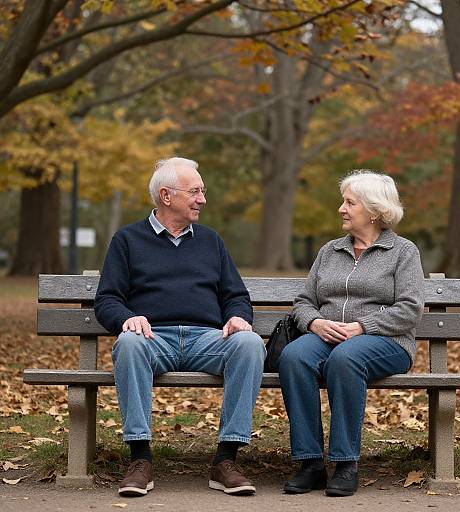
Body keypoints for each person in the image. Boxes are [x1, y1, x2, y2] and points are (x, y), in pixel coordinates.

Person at [94, 157, 265, 497]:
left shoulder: (211, 241)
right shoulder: (127, 240)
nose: (202, 199)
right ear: (166, 195)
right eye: (195, 191)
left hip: (208, 339)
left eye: (203, 191)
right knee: (128, 343)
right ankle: (140, 459)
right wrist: (127, 318)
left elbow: (236, 295)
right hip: (152, 338)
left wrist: (237, 316)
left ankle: (225, 460)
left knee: (249, 344)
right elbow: (107, 300)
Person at [279, 170, 425, 497]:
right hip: (326, 336)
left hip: (386, 342)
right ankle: (310, 463)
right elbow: (304, 300)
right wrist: (315, 323)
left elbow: (410, 308)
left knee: (346, 359)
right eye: (343, 202)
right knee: (293, 357)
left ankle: (346, 462)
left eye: (349, 203)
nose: (341, 209)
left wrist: (362, 326)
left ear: (373, 211)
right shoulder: (330, 251)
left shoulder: (403, 252)